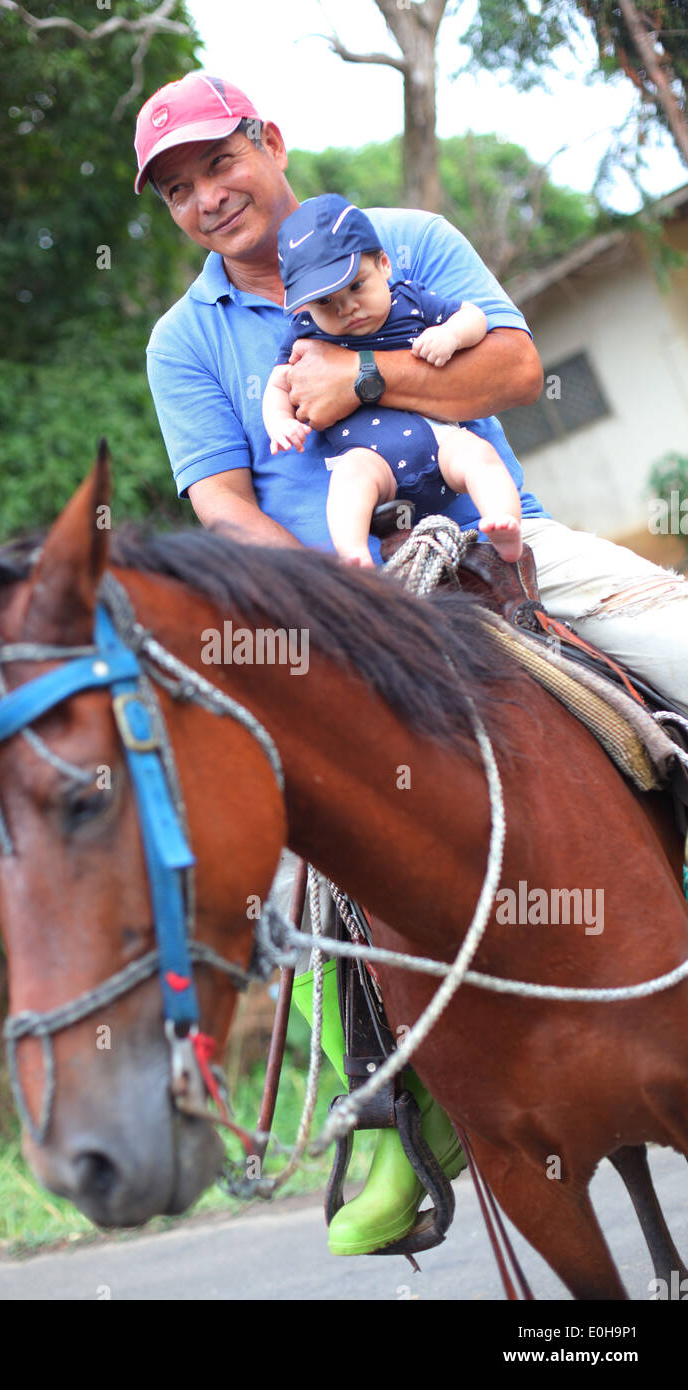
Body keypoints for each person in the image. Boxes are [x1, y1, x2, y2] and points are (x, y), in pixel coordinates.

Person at [133, 71, 688, 1255]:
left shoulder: (407, 240)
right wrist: (337, 605)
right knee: (302, 872)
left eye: (217, 165)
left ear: (268, 142)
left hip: (497, 543)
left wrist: (365, 377)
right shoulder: (183, 341)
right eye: (177, 190)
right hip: (340, 602)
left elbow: (511, 372)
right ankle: (382, 1122)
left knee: (677, 645)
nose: (205, 199)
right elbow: (224, 507)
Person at [262, 193, 523, 566]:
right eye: (325, 302)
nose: (346, 307)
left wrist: (450, 335)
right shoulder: (305, 335)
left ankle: (503, 522)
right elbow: (277, 384)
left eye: (356, 286)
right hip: (370, 458)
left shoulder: (410, 300)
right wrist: (280, 422)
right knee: (349, 479)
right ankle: (353, 554)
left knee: (477, 455)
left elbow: (473, 316)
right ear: (304, 305)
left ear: (384, 264)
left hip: (438, 437)